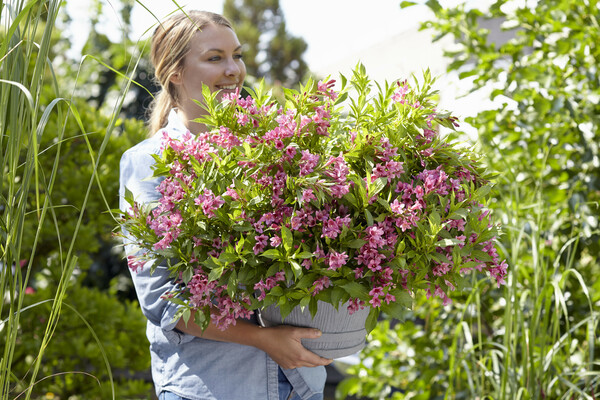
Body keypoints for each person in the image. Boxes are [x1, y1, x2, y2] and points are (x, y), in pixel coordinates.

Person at [118, 10, 332, 400]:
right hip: (213, 387)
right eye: (215, 58)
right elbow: (164, 302)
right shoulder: (148, 162)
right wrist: (263, 339)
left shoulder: (272, 148)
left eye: (237, 55)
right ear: (175, 72)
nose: (233, 69)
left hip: (299, 385)